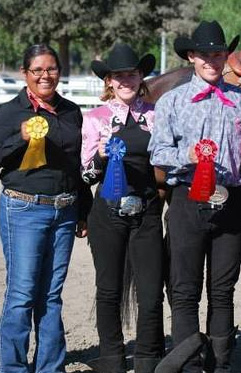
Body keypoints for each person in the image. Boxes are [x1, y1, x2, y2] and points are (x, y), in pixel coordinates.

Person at [148, 20, 241, 372]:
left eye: (218, 52)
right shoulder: (172, 102)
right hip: (186, 201)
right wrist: (188, 156)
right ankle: (189, 365)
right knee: (184, 291)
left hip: (231, 201)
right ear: (192, 56)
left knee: (223, 291)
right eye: (204, 53)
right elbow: (157, 151)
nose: (212, 59)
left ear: (226, 55)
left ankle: (221, 365)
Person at [0, 44, 91, 373]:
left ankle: (50, 367)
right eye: (37, 70)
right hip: (24, 210)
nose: (45, 76)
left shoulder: (71, 112)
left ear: (59, 72)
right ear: (24, 73)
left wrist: (84, 209)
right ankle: (11, 367)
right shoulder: (8, 113)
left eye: (51, 69)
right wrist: (19, 139)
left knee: (51, 295)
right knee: (22, 293)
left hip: (64, 211)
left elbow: (74, 165)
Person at [81, 43, 165, 373]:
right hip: (107, 213)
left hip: (146, 210)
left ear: (141, 76)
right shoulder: (95, 120)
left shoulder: (157, 116)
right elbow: (85, 174)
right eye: (119, 76)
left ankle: (147, 357)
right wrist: (101, 157)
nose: (126, 80)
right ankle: (112, 358)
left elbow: (167, 163)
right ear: (110, 82)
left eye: (132, 74)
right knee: (109, 288)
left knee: (150, 289)